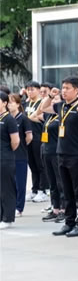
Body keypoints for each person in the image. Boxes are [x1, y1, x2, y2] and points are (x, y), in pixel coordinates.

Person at [41, 76, 78, 237]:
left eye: (68, 88)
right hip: (61, 153)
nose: (64, 91)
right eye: (63, 88)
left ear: (77, 90)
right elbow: (43, 109)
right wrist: (51, 96)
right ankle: (69, 222)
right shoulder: (60, 106)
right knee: (66, 191)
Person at [32, 90, 65, 223]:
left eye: (57, 100)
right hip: (46, 151)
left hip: (57, 152)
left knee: (60, 182)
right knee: (52, 183)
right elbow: (36, 113)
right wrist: (49, 97)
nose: (54, 102)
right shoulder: (48, 116)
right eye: (53, 100)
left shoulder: (62, 115)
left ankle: (64, 209)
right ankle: (55, 208)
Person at [23, 81, 48, 203]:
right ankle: (34, 189)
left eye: (32, 89)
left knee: (40, 163)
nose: (30, 91)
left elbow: (41, 118)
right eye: (28, 89)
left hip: (38, 135)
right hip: (27, 136)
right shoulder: (27, 103)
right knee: (32, 164)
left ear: (38, 90)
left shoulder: (41, 103)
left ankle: (42, 190)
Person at [8, 94, 32, 217]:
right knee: (9, 183)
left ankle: (19, 207)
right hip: (8, 156)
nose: (9, 105)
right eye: (8, 102)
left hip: (20, 155)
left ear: (18, 104)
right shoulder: (6, 118)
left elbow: (29, 137)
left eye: (12, 102)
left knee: (20, 183)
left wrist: (21, 146)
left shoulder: (23, 118)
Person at [0, 92, 20, 229]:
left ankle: (8, 218)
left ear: (4, 103)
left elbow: (15, 141)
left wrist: (6, 152)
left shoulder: (9, 119)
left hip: (5, 158)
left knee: (7, 188)